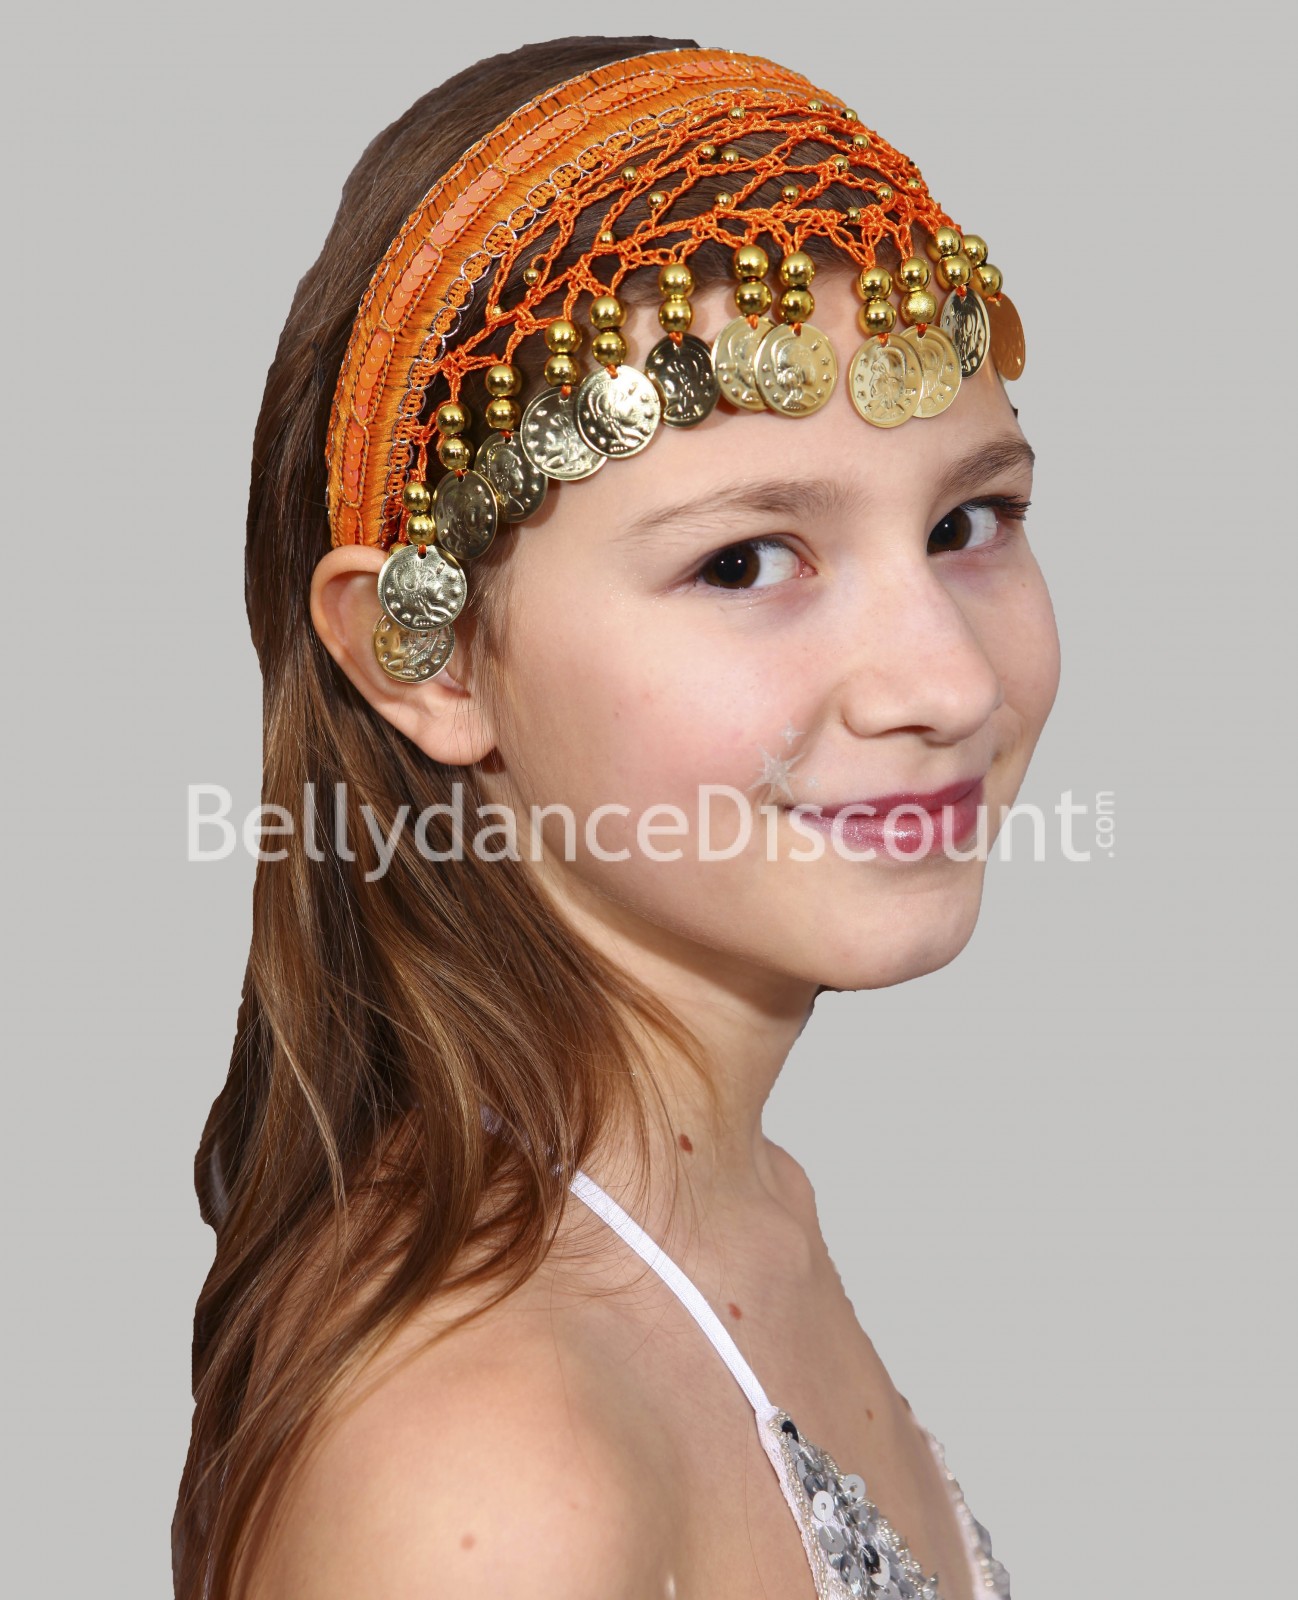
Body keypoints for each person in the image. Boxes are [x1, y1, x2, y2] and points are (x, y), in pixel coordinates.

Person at [174, 34, 1057, 1600]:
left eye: (965, 522)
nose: (945, 681)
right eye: (744, 562)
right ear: (431, 657)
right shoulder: (486, 1468)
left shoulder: (743, 1210)